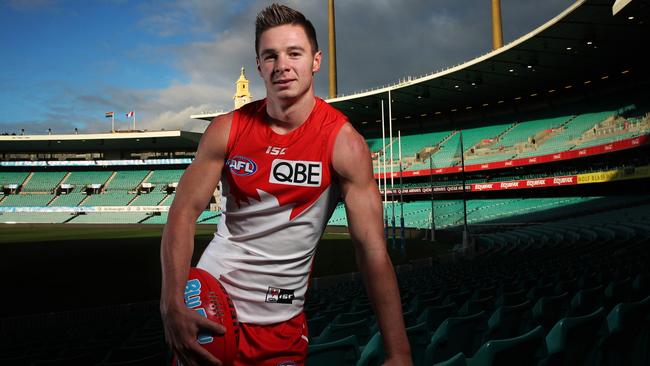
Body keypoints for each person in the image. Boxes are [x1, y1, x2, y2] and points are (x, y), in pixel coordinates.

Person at [160, 3, 412, 366]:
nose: (282, 65)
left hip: (279, 325)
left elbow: (372, 250)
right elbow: (182, 213)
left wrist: (399, 352)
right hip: (208, 311)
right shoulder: (225, 129)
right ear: (259, 65)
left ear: (315, 60)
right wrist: (171, 301)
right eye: (271, 56)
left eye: (294, 53)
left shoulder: (344, 143)